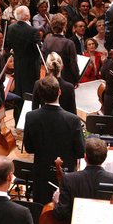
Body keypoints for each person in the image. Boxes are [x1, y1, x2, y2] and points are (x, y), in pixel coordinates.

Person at [24, 76, 85, 205]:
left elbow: (29, 148)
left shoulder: (31, 117)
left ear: (40, 95)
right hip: (66, 174)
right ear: (59, 92)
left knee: (41, 211)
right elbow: (80, 152)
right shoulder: (73, 120)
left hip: (41, 174)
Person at [52, 138, 113, 220]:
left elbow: (61, 214)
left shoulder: (69, 179)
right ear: (105, 158)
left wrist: (57, 201)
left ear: (85, 157)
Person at [5, 6, 41, 122]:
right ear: (26, 16)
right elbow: (38, 50)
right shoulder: (32, 31)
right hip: (31, 68)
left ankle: (17, 120)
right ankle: (30, 121)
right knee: (30, 94)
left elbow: (9, 46)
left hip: (18, 66)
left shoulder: (10, 28)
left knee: (18, 93)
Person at [42, 13, 80, 85]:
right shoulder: (69, 43)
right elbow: (73, 64)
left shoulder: (47, 40)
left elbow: (43, 60)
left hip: (50, 79)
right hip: (66, 79)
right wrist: (77, 79)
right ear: (64, 25)